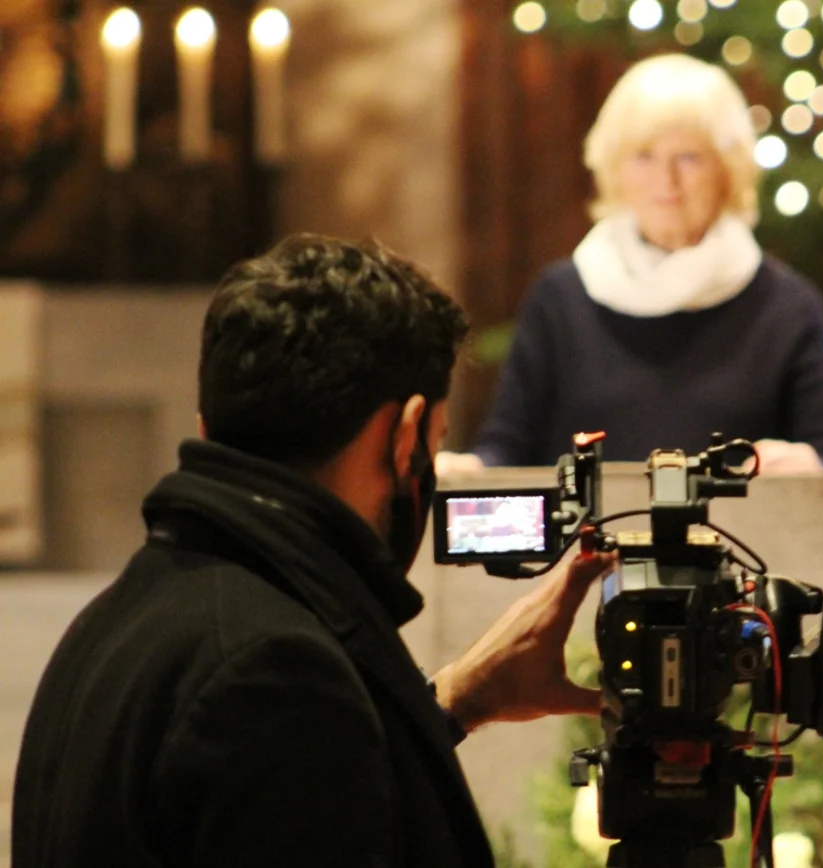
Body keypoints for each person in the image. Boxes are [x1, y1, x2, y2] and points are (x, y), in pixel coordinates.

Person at [11, 234, 615, 868]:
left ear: (209, 427)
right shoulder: (273, 666)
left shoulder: (123, 615)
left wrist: (453, 705)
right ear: (404, 436)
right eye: (434, 445)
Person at [438, 53, 823, 476]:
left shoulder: (786, 307)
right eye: (643, 155)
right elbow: (507, 450)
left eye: (689, 157)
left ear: (728, 171)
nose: (666, 180)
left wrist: (812, 464)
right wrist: (470, 470)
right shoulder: (560, 298)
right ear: (614, 168)